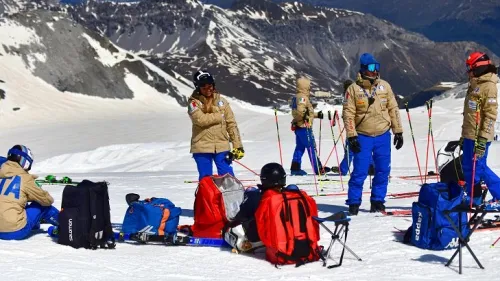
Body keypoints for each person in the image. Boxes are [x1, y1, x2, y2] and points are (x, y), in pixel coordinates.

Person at [342, 53, 404, 215]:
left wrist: (398, 131)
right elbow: (348, 113)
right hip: (363, 135)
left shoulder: (384, 86)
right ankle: (354, 202)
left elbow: (393, 109)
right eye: (371, 68)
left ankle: (378, 201)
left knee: (383, 170)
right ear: (363, 69)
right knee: (360, 171)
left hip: (383, 135)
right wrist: (352, 135)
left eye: (377, 67)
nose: (375, 71)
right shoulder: (353, 89)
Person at [457, 52, 500, 203]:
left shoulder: (488, 87)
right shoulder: (475, 84)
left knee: (479, 167)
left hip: (480, 137)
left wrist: (482, 139)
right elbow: (469, 115)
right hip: (470, 135)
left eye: (470, 68)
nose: (468, 71)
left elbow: (490, 116)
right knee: (469, 167)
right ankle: (473, 197)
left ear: (479, 68)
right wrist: (464, 136)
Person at [188, 70, 244, 180]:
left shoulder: (222, 102)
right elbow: (201, 120)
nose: (208, 89)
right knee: (206, 180)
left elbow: (231, 124)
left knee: (228, 178)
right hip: (202, 147)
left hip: (222, 145)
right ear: (198, 88)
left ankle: (231, 197)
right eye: (204, 87)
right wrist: (219, 116)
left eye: (210, 86)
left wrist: (238, 145)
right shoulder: (193, 103)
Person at [0, 145, 59, 240]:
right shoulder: (25, 179)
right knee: (43, 206)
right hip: (15, 231)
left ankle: (35, 223)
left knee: (19, 203)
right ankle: (67, 225)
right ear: (25, 162)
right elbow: (47, 200)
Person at [223, 162, 285, 252]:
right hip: (285, 234)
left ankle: (243, 242)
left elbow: (241, 216)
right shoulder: (289, 196)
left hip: (260, 235)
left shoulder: (257, 196)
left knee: (250, 191)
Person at [332, 80, 375, 176]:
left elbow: (349, 111)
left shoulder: (349, 96)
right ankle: (371, 167)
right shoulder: (359, 93)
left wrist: (347, 119)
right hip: (362, 126)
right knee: (365, 148)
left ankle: (343, 169)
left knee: (350, 149)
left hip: (353, 127)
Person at [290, 76, 330, 176]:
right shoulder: (303, 97)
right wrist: (306, 117)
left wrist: (316, 115)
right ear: (305, 86)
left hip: (299, 127)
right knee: (311, 147)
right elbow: (301, 112)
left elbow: (302, 112)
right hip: (304, 127)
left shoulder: (296, 97)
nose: (310, 88)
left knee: (299, 148)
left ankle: (295, 168)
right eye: (309, 86)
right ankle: (318, 169)